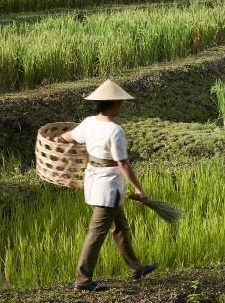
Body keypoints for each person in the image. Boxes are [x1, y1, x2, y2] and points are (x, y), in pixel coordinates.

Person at [59, 79, 157, 292]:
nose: (121, 106)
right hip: (108, 188)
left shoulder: (89, 122)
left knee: (120, 227)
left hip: (95, 180)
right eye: (120, 103)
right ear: (112, 103)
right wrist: (140, 190)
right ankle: (83, 280)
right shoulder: (115, 130)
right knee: (96, 233)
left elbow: (68, 137)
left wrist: (58, 138)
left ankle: (136, 268)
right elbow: (123, 163)